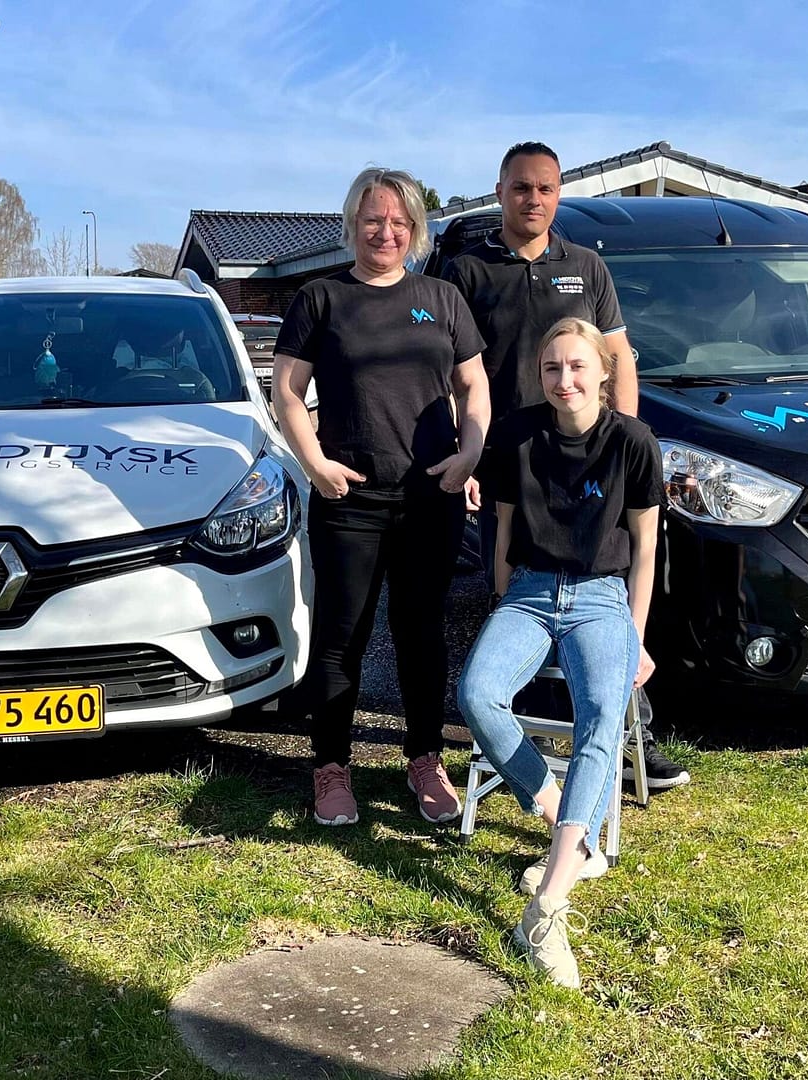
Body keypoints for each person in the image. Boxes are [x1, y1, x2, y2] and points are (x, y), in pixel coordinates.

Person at [443, 140, 689, 791]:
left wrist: (623, 442)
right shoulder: (466, 271)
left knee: (606, 591)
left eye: (546, 188)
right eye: (521, 187)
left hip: (588, 465)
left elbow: (618, 356)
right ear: (500, 191)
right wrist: (466, 456)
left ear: (558, 195)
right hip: (509, 468)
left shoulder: (585, 266)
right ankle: (518, 735)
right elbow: (450, 372)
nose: (534, 199)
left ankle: (629, 735)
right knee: (512, 596)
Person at [272, 167, 490, 827]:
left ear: (415, 229)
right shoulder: (321, 298)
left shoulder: (441, 298)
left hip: (431, 495)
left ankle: (424, 759)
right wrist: (315, 465)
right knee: (342, 636)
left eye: (399, 221)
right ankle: (331, 766)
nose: (385, 232)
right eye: (373, 219)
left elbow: (473, 386)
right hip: (350, 497)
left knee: (421, 633)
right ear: (352, 224)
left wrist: (470, 454)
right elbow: (287, 392)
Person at [456, 317, 661, 988]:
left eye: (577, 366)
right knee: (477, 694)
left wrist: (635, 635)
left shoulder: (631, 442)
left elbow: (645, 548)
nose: (564, 379)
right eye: (552, 368)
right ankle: (564, 823)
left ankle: (546, 908)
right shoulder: (518, 434)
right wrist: (502, 601)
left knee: (602, 715)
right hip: (530, 591)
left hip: (602, 597)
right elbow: (502, 529)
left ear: (603, 373)